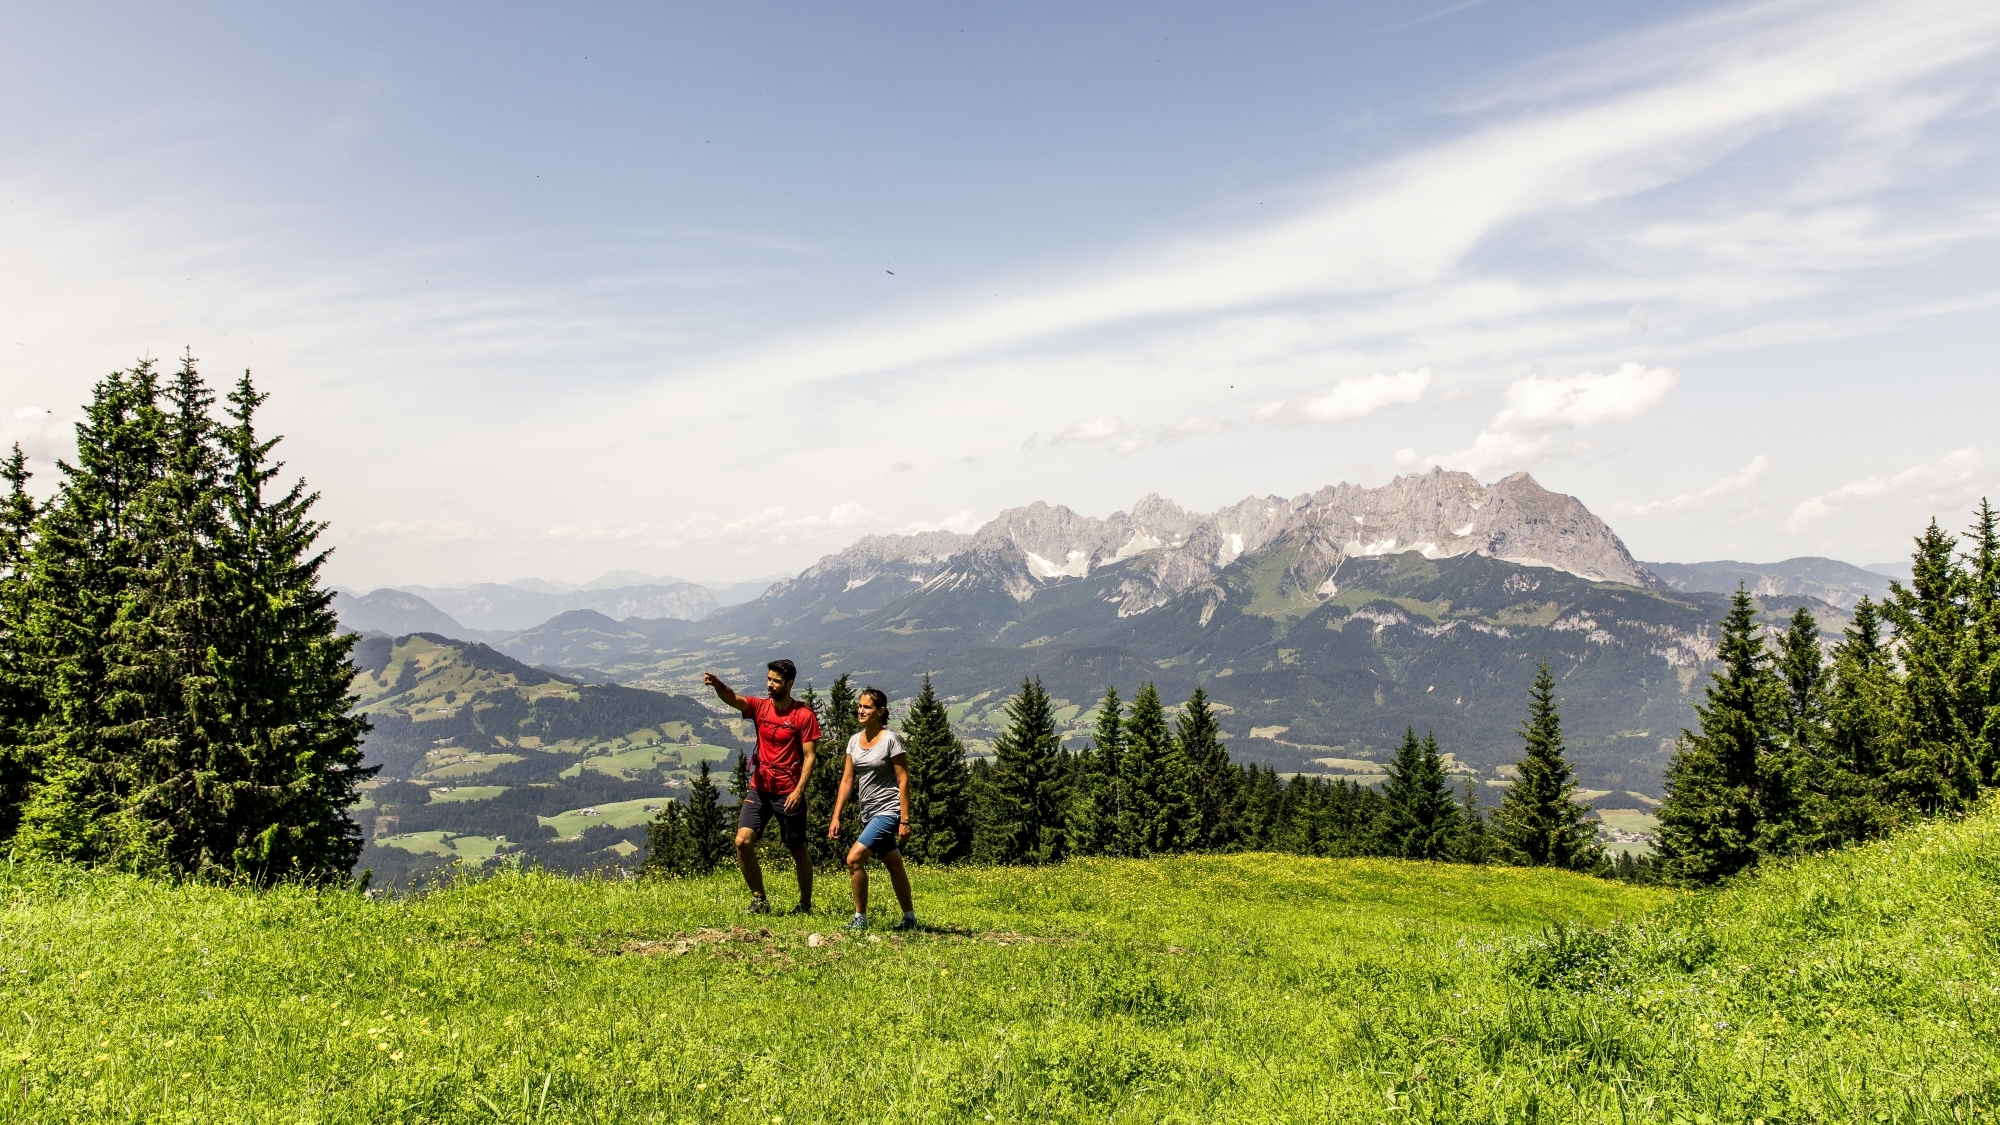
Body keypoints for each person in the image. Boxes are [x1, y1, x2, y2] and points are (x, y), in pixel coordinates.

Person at [701, 660, 821, 914]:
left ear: (789, 684)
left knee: (798, 849)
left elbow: (810, 756)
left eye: (776, 681)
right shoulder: (760, 707)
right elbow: (733, 699)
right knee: (742, 842)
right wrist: (717, 684)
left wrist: (799, 791)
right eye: (769, 679)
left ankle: (805, 905)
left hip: (789, 792)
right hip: (760, 787)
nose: (770, 684)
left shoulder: (803, 715)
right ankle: (759, 900)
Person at [827, 686, 917, 931]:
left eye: (867, 707)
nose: (861, 710)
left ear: (881, 711)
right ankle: (910, 918)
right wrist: (836, 817)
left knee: (853, 860)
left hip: (888, 811)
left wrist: (904, 820)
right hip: (869, 813)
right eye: (860, 706)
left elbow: (903, 779)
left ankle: (860, 918)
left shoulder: (890, 740)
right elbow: (847, 780)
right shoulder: (854, 741)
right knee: (894, 864)